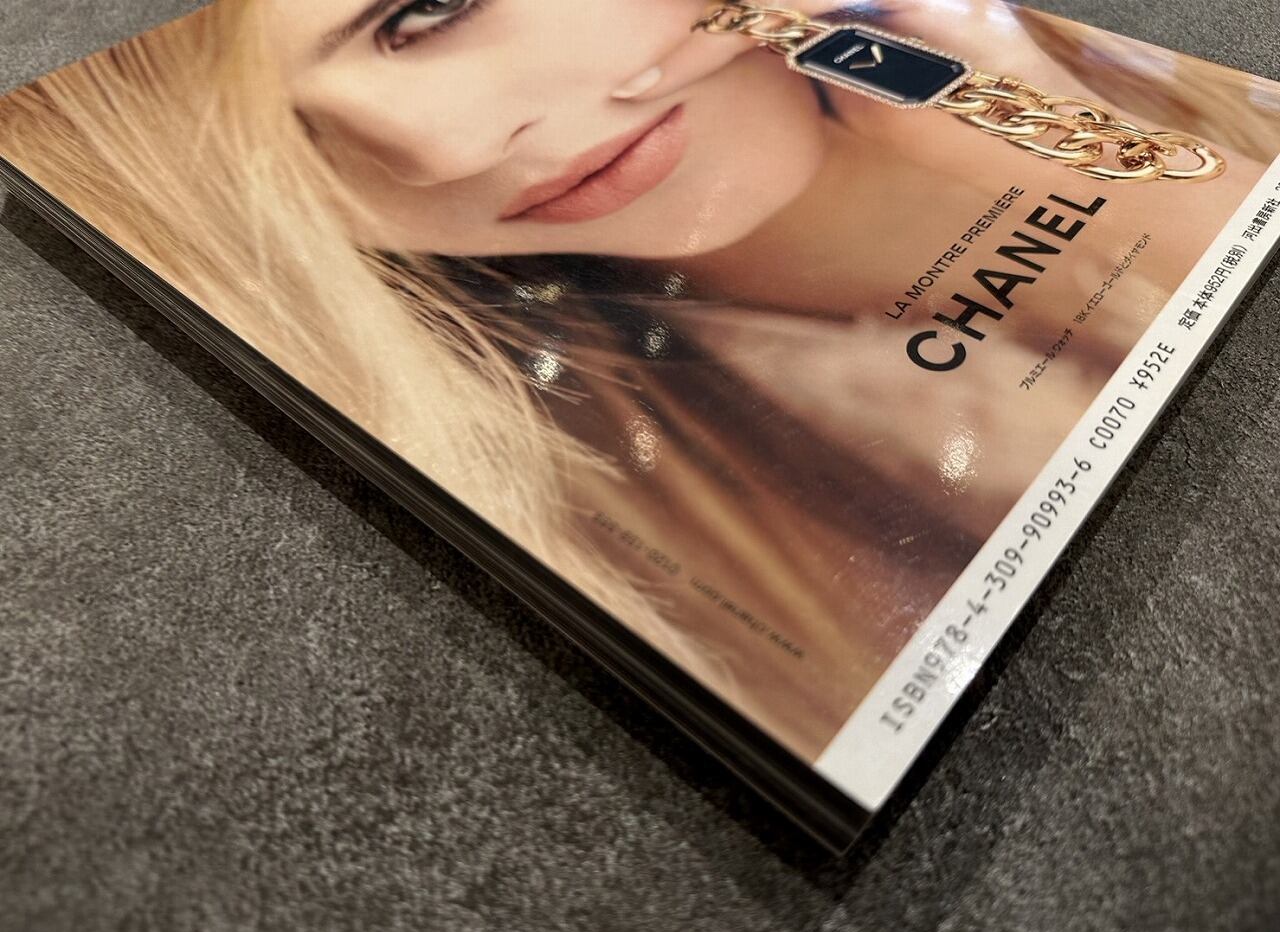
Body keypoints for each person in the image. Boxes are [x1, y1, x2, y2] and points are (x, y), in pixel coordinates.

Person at [2, 0, 1275, 758]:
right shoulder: (600, 529)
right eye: (270, 150)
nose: (442, 151)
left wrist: (1113, 182)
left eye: (432, 4)